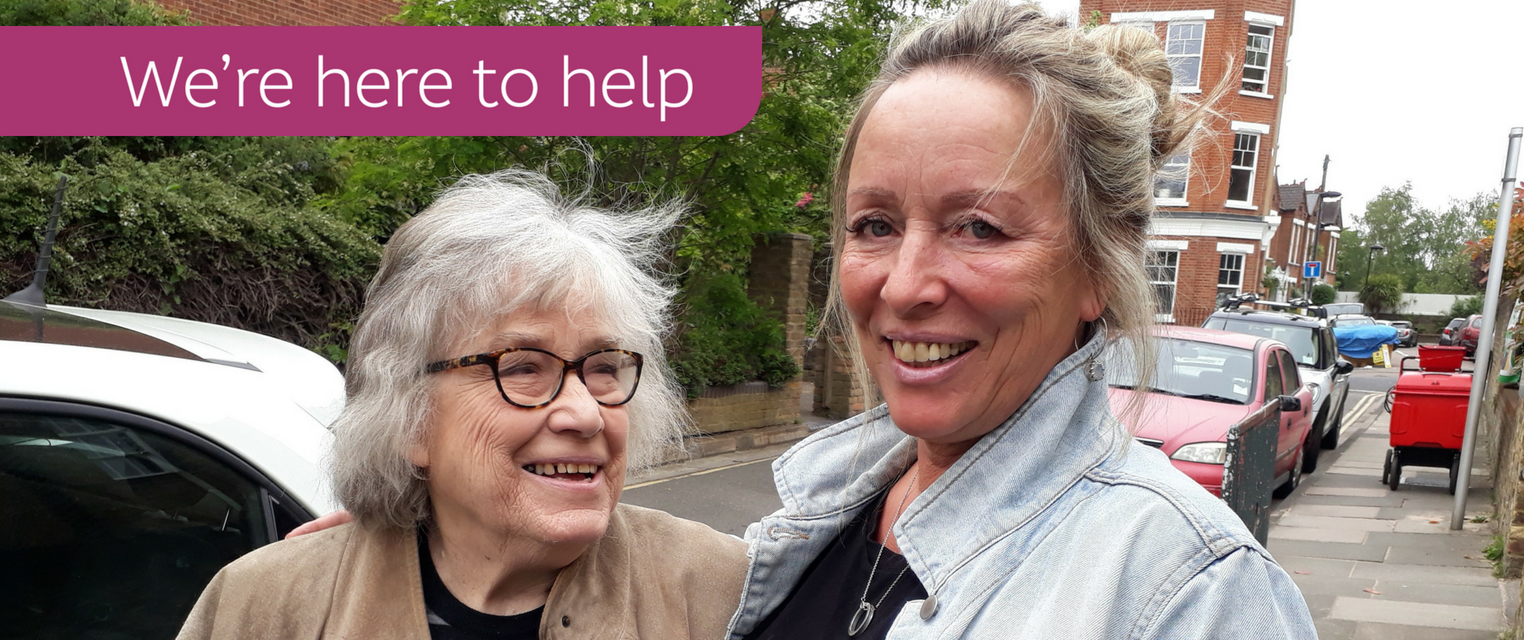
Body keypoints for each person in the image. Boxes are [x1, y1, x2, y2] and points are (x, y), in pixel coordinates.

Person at [725, 2, 1316, 638]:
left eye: (978, 227)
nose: (904, 285)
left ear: (1098, 267)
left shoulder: (1198, 593)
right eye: (876, 225)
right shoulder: (828, 513)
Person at [176, 170, 747, 640]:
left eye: (602, 368)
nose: (586, 413)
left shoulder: (725, 596)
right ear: (411, 420)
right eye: (522, 367)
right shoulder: (263, 608)